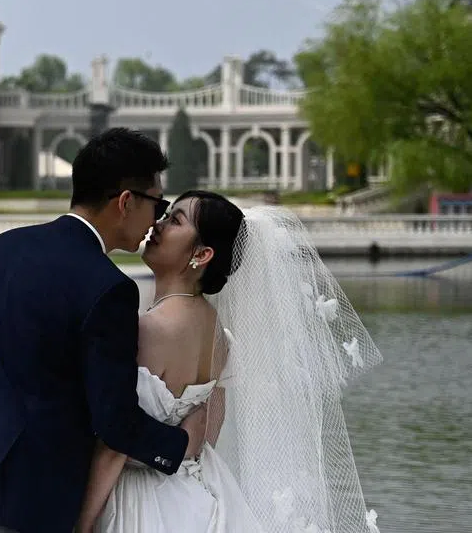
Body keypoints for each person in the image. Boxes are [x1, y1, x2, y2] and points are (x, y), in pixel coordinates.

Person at [0, 128, 207, 533]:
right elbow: (113, 419)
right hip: (16, 499)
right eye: (157, 204)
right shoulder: (109, 287)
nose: (156, 220)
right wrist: (181, 445)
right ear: (126, 202)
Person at [80, 192, 383, 533]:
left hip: (139, 499)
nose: (158, 224)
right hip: (201, 495)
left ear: (202, 254)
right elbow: (210, 428)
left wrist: (84, 521)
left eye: (175, 220)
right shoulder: (218, 333)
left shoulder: (149, 329)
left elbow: (115, 444)